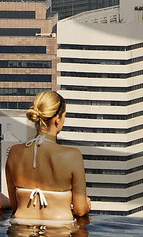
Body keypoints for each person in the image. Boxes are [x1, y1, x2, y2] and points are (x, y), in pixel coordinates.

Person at [5, 89, 90, 226]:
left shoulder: (15, 152)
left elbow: (15, 206)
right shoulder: (73, 156)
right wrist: (87, 203)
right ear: (57, 119)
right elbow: (80, 210)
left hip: (20, 230)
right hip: (59, 232)